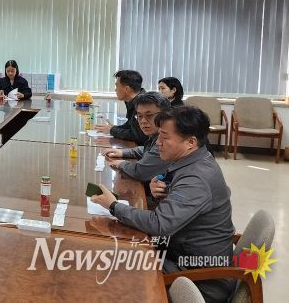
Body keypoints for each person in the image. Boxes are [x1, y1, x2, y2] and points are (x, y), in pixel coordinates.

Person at [91, 106, 235, 302]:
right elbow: (186, 207)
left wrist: (114, 206)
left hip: (199, 279)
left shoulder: (196, 178)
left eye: (164, 137)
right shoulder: (196, 160)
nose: (157, 143)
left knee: (114, 265)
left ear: (190, 142)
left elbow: (160, 225)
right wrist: (162, 193)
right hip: (184, 253)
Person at [102, 92, 171, 185]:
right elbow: (148, 150)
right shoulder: (157, 135)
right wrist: (123, 152)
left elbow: (140, 172)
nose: (143, 121)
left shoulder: (166, 140)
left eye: (149, 115)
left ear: (165, 115)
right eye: (139, 116)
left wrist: (122, 163)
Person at [94, 70, 148, 144]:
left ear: (127, 89)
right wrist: (115, 128)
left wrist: (112, 130)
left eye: (117, 86)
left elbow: (138, 135)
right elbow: (131, 124)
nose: (115, 89)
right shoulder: (134, 100)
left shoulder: (143, 103)